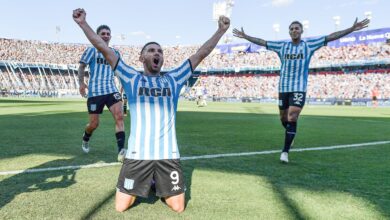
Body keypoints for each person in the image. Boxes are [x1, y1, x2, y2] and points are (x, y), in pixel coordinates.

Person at [73, 8, 230, 213]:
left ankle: (156, 181)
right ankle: (150, 180)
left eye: (160, 51)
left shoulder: (174, 78)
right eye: (151, 50)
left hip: (168, 154)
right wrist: (83, 23)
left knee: (178, 207)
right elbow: (103, 48)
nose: (157, 53)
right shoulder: (131, 77)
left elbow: (201, 53)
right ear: (141, 58)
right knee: (121, 207)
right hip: (138, 155)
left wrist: (220, 31)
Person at [233, 18, 369, 163]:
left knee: (292, 117)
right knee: (283, 118)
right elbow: (263, 42)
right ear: (289, 32)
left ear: (302, 31)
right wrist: (246, 36)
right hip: (284, 87)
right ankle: (291, 133)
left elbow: (331, 37)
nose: (294, 30)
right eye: (291, 29)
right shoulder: (281, 46)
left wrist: (351, 29)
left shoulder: (309, 45)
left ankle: (285, 152)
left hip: (299, 88)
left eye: (297, 28)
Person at [78, 24, 126, 162]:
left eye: (107, 33)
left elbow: (119, 70)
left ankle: (121, 151)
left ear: (110, 36)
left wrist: (123, 84)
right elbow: (81, 67)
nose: (105, 35)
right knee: (93, 124)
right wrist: (81, 83)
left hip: (111, 90)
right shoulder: (91, 50)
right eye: (102, 33)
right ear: (97, 36)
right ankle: (86, 138)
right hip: (95, 92)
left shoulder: (115, 53)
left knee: (119, 117)